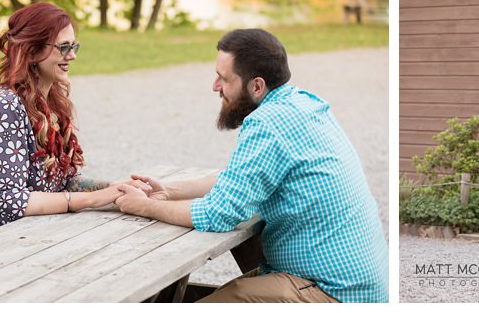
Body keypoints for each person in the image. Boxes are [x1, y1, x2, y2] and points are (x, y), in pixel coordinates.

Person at [114, 28, 387, 304]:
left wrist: (145, 207)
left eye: (223, 78)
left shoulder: (268, 122)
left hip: (334, 292)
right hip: (350, 282)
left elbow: (218, 215)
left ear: (256, 86)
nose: (215, 87)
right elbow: (240, 179)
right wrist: (170, 190)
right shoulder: (300, 102)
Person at [0, 2, 141, 249]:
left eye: (74, 46)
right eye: (64, 47)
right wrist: (91, 200)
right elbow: (5, 201)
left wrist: (115, 187)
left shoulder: (53, 101)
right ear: (32, 51)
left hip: (21, 241)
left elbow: (64, 181)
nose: (72, 55)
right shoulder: (7, 105)